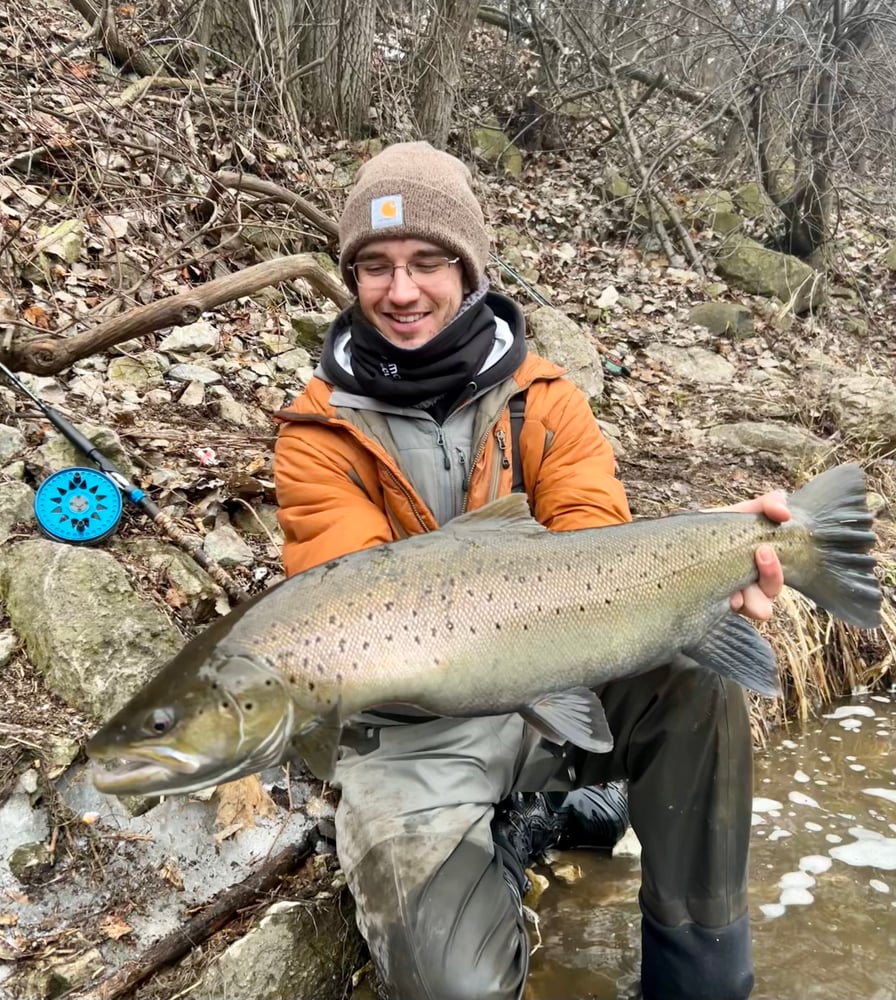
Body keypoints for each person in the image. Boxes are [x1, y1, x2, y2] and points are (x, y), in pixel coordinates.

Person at [273, 141, 788, 1000]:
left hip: (556, 681)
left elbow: (598, 545)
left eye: (428, 262)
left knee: (700, 672)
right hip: (413, 732)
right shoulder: (317, 434)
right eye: (377, 267)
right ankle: (518, 829)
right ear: (352, 278)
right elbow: (358, 615)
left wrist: (703, 558)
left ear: (469, 270)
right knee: (453, 988)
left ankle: (702, 978)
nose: (402, 292)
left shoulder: (547, 399)